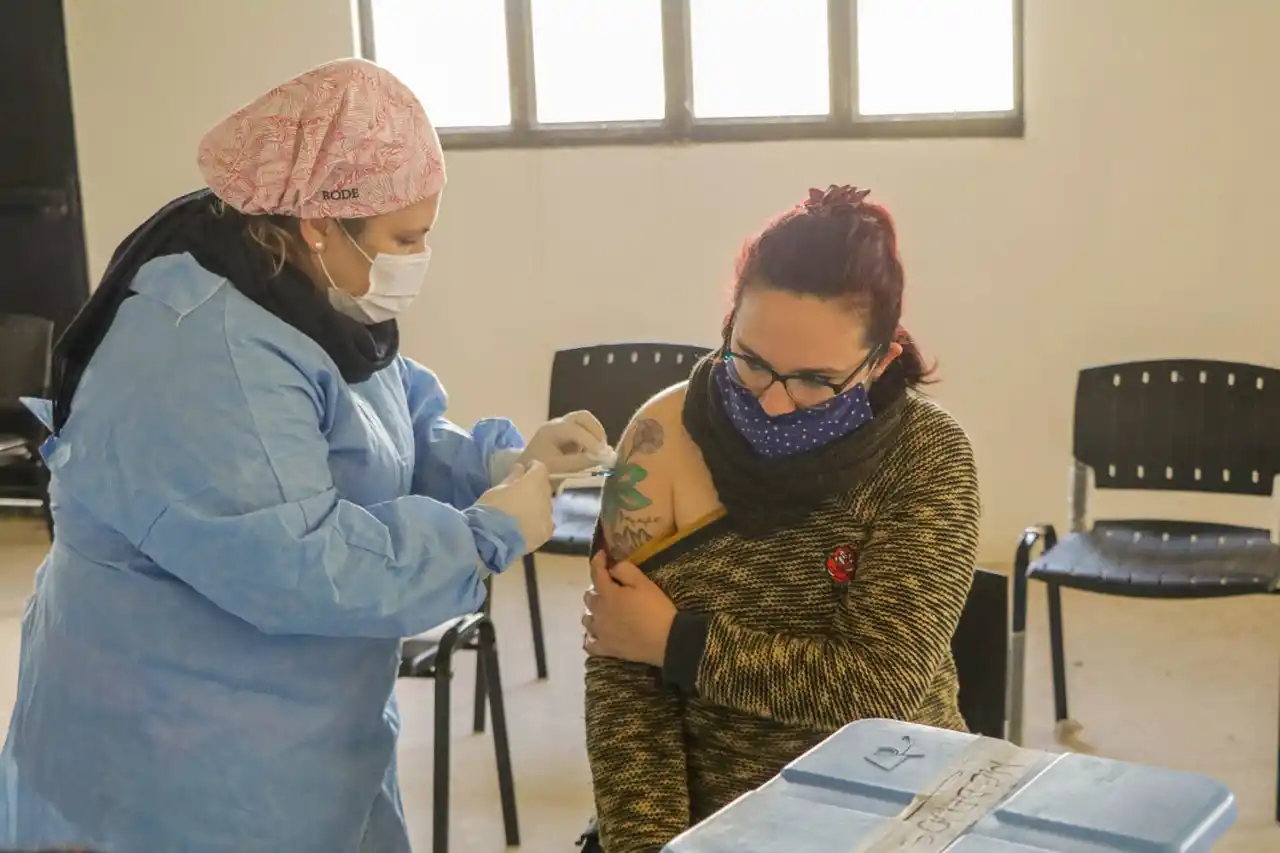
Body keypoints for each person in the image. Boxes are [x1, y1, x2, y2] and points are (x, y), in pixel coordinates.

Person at [0, 58, 608, 853]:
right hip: (175, 759)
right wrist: (481, 535)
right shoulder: (205, 348)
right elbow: (300, 564)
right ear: (321, 220)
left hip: (300, 732)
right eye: (405, 239)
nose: (418, 258)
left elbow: (384, 428)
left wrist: (497, 464)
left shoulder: (303, 291)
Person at [579, 186, 981, 852]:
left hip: (896, 812)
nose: (772, 403)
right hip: (710, 823)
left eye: (815, 380)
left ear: (880, 362)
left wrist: (677, 641)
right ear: (730, 321)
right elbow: (625, 683)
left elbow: (876, 687)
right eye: (752, 363)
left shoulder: (926, 456)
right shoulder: (658, 438)